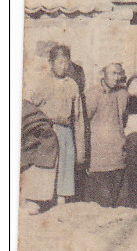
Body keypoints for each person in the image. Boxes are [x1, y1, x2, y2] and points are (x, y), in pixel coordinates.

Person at [24, 45, 84, 205]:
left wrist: (80, 147)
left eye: (66, 63)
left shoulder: (72, 84)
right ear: (51, 63)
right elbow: (29, 106)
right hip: (47, 131)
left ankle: (61, 198)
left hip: (65, 130)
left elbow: (78, 116)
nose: (63, 67)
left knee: (65, 163)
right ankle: (36, 201)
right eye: (59, 62)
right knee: (44, 164)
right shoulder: (42, 82)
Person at [84, 63, 130, 207]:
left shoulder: (123, 94)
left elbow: (123, 120)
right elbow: (84, 121)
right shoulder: (93, 94)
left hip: (118, 155)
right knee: (101, 204)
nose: (116, 77)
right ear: (103, 74)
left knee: (120, 205)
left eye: (119, 73)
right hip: (99, 158)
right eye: (112, 73)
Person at [20, 100, 59, 214]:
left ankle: (30, 201)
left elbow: (43, 132)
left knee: (32, 207)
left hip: (38, 145)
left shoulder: (26, 108)